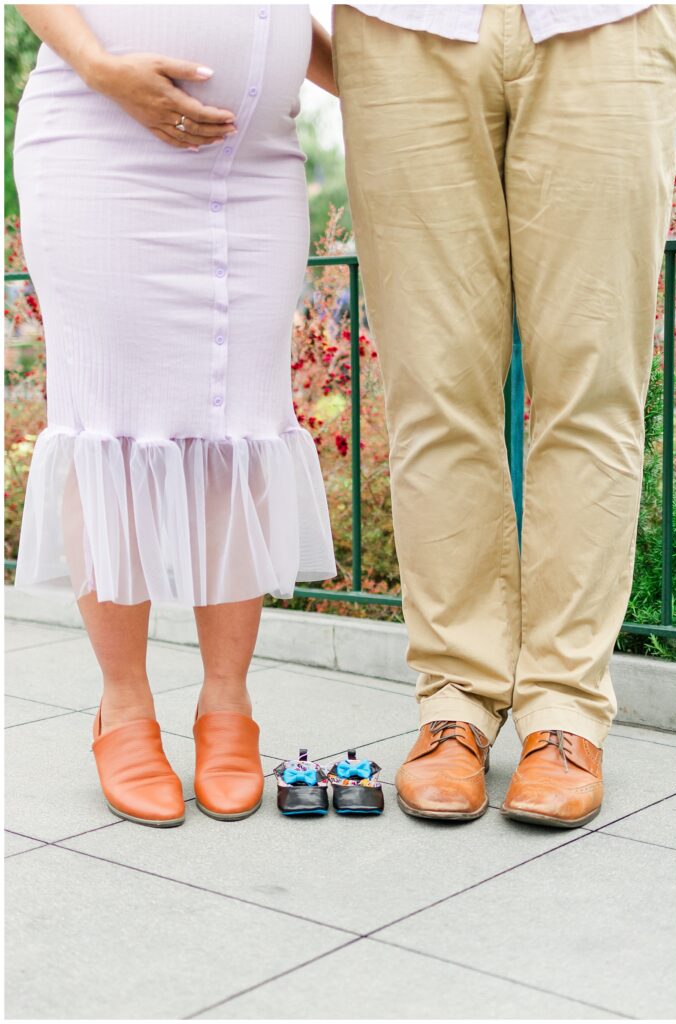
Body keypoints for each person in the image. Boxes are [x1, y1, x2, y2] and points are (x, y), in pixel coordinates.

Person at [333, 4, 676, 826]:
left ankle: (564, 713)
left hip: (608, 21)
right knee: (432, 392)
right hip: (400, 26)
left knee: (592, 390)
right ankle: (453, 701)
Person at [13, 4, 338, 827]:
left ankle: (225, 703)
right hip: (103, 144)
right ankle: (123, 706)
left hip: (258, 167)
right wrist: (96, 63)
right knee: (110, 423)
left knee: (243, 429)